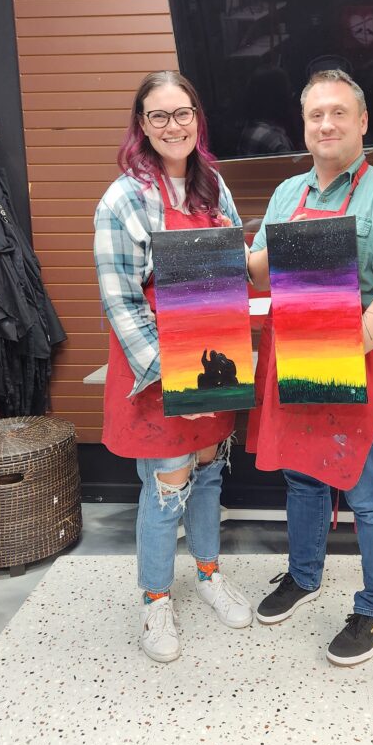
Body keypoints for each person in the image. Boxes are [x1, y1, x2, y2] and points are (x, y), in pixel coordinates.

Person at [246, 69, 373, 666]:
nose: (326, 124)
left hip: (357, 358)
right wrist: (263, 247)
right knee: (303, 476)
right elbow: (258, 270)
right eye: (315, 115)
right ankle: (304, 576)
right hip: (292, 354)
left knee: (365, 487)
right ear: (304, 126)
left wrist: (345, 352)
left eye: (338, 113)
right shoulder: (287, 193)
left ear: (363, 121)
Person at [94, 70, 252, 665]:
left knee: (208, 472)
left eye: (182, 113)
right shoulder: (123, 199)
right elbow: (121, 302)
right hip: (159, 366)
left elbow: (234, 269)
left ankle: (209, 574)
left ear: (196, 117)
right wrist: (175, 376)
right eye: (158, 116)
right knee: (167, 483)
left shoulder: (214, 186)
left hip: (213, 356)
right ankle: (155, 598)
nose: (172, 126)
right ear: (142, 124)